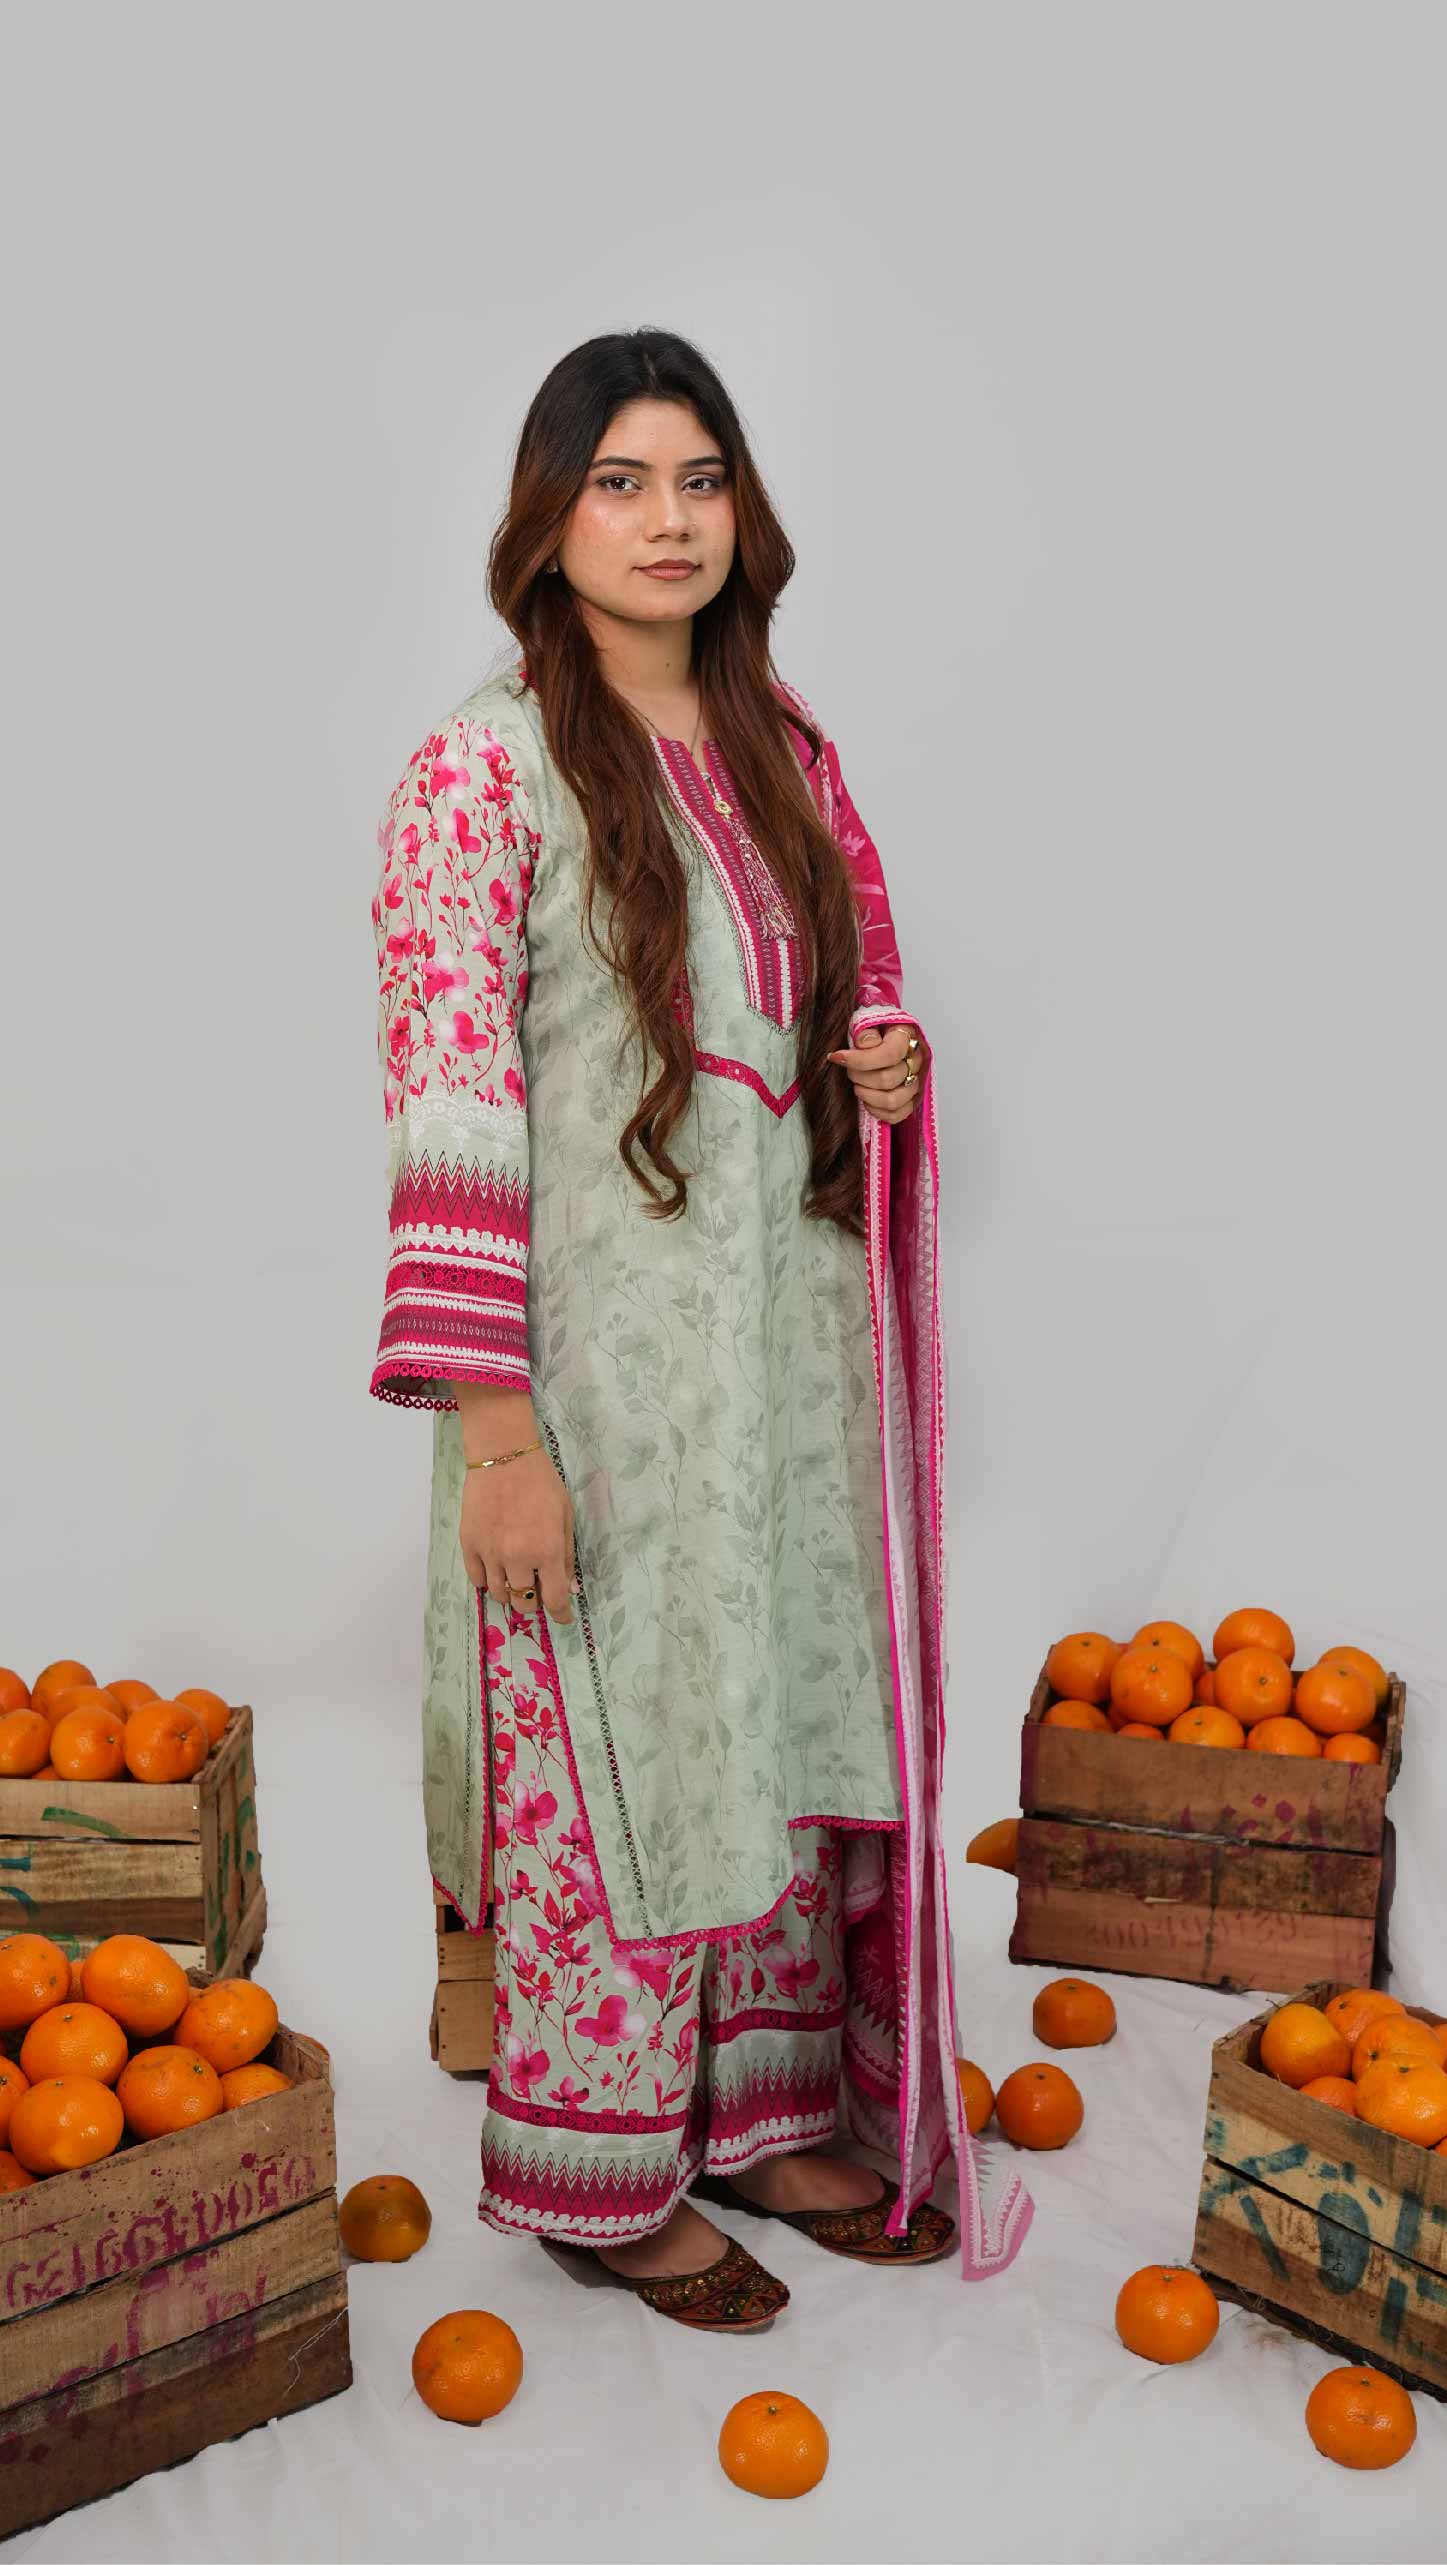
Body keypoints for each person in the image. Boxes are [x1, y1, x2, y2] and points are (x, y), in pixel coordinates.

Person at [370, 328, 1034, 2331]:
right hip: (588, 1389)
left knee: (765, 1722)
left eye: (699, 479)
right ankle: (598, 2155)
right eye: (618, 482)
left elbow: (795, 1032)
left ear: (742, 510)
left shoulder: (784, 748)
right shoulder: (475, 770)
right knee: (617, 1751)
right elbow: (453, 1108)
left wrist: (881, 1070)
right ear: (546, 518)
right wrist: (496, 1435)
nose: (666, 521)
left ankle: (757, 2111)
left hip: (778, 1372)